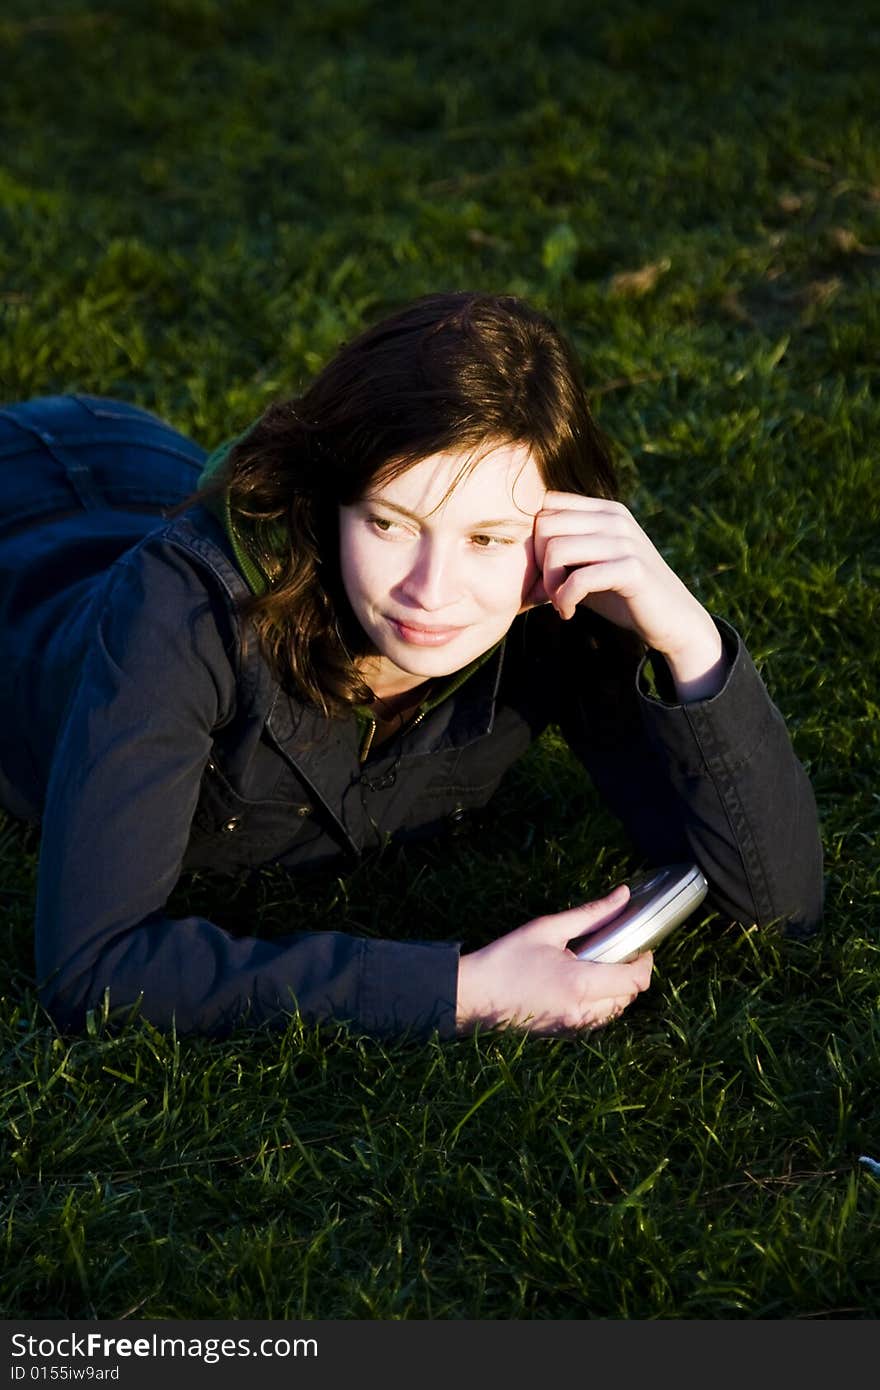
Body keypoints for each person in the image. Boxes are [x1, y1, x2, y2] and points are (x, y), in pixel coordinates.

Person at [0, 291, 823, 1040]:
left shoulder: (556, 600)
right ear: (329, 505)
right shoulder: (179, 609)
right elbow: (93, 966)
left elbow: (775, 905)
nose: (432, 592)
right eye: (390, 525)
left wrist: (689, 641)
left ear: (552, 532)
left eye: (488, 539)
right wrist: (461, 990)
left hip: (138, 466)